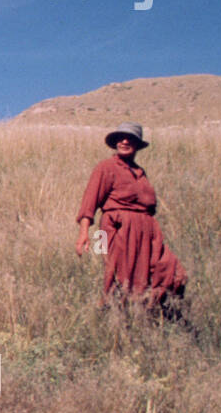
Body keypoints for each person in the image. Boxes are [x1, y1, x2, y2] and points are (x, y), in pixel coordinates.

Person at [75, 121, 187, 312]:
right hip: (115, 229)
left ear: (137, 145)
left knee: (172, 269)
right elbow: (90, 202)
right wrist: (84, 234)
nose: (124, 141)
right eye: (121, 138)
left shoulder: (140, 172)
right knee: (118, 275)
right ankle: (114, 317)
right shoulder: (106, 167)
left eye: (130, 139)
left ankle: (152, 311)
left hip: (148, 231)